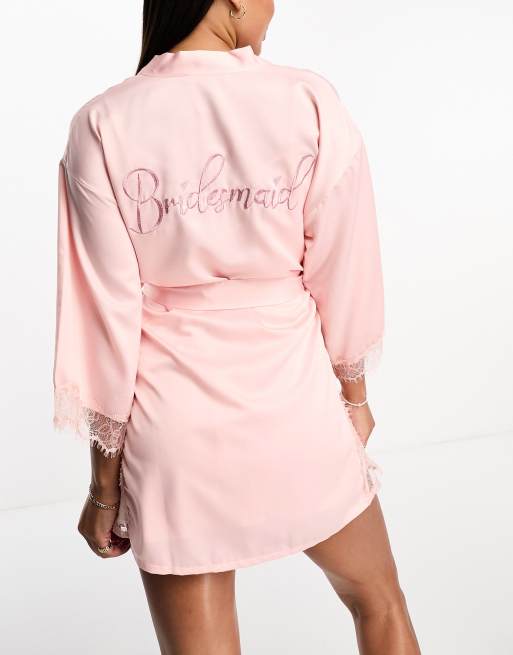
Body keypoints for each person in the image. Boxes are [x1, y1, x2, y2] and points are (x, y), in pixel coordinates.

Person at [52, 1, 421, 653]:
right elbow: (343, 270)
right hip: (297, 413)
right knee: (379, 603)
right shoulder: (306, 101)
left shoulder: (103, 123)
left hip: (176, 436)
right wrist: (354, 399)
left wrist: (104, 488)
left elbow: (105, 316)